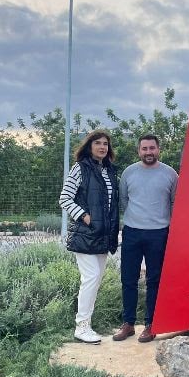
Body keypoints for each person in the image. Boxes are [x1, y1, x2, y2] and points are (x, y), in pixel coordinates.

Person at [112, 134, 178, 343]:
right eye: (144, 149)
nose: (148, 152)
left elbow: (175, 202)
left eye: (152, 148)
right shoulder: (128, 173)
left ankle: (151, 325)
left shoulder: (170, 174)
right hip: (132, 232)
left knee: (154, 281)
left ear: (159, 149)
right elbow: (124, 201)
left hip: (159, 233)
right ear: (138, 151)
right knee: (128, 279)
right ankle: (128, 324)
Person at [59, 129, 120, 344]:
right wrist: (84, 216)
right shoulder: (80, 168)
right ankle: (81, 327)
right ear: (89, 146)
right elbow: (65, 198)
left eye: (105, 143)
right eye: (97, 143)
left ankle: (87, 324)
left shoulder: (110, 171)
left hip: (104, 236)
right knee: (91, 277)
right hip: (85, 235)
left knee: (95, 281)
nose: (102, 147)